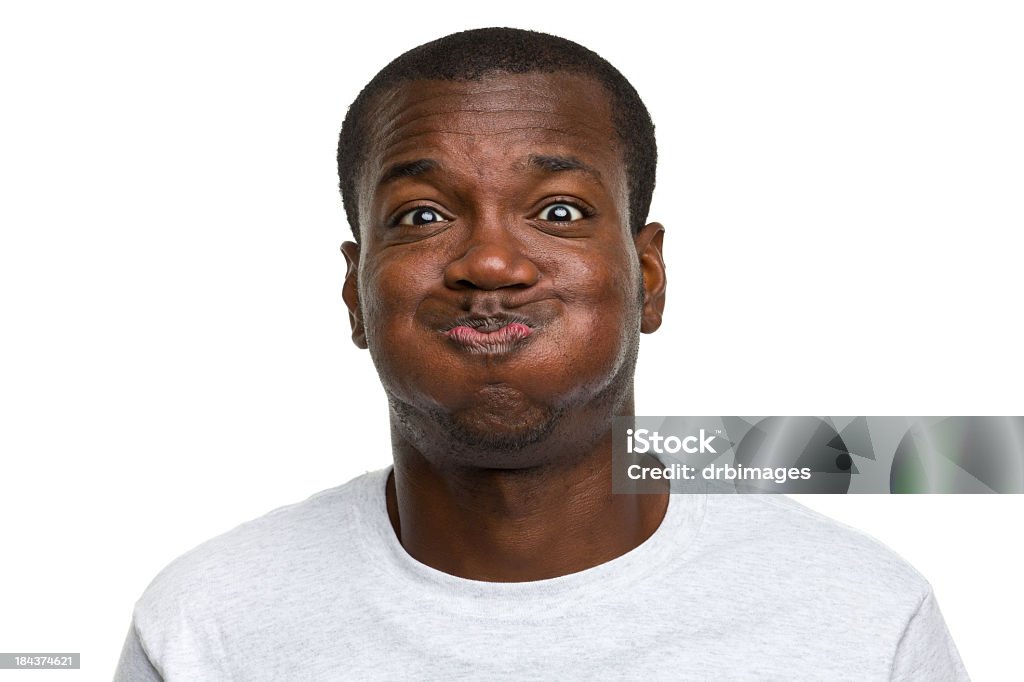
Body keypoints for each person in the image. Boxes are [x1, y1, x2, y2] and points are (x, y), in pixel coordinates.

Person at [114, 28, 968, 680]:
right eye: (421, 215)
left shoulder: (860, 621)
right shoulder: (205, 628)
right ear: (356, 294)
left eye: (558, 211)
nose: (491, 262)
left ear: (648, 277)